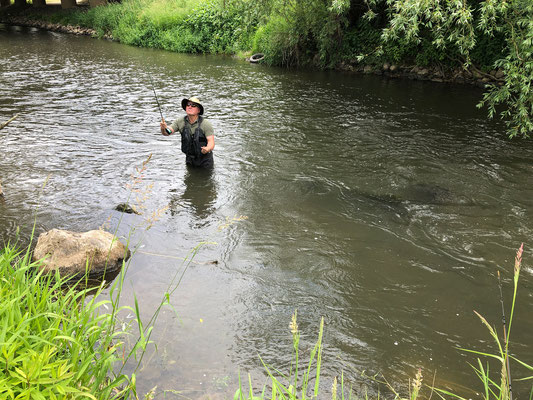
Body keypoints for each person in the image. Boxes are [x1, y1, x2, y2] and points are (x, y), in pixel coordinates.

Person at [160, 96, 215, 168]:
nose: (190, 107)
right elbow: (168, 132)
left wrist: (207, 149)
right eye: (188, 105)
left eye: (193, 105)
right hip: (189, 160)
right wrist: (163, 128)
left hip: (205, 161)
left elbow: (211, 142)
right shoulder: (179, 121)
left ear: (198, 110)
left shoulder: (206, 124)